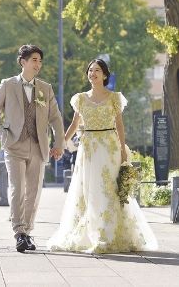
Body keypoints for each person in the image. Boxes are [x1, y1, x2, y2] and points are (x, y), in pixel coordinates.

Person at [47, 58, 158, 253]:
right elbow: (74, 125)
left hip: (109, 147)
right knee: (88, 189)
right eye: (90, 70)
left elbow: (119, 125)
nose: (93, 73)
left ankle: (108, 233)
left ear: (105, 75)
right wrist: (60, 143)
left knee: (108, 188)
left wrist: (123, 150)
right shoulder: (80, 98)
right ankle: (89, 233)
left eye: (97, 70)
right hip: (88, 149)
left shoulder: (114, 97)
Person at [0, 44, 64, 252]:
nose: (38, 64)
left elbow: (55, 118)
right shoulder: (8, 85)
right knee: (18, 189)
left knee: (34, 191)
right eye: (34, 60)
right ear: (23, 62)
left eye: (40, 60)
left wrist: (59, 143)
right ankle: (19, 232)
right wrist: (2, 134)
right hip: (14, 145)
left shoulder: (45, 88)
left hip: (38, 146)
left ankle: (27, 232)